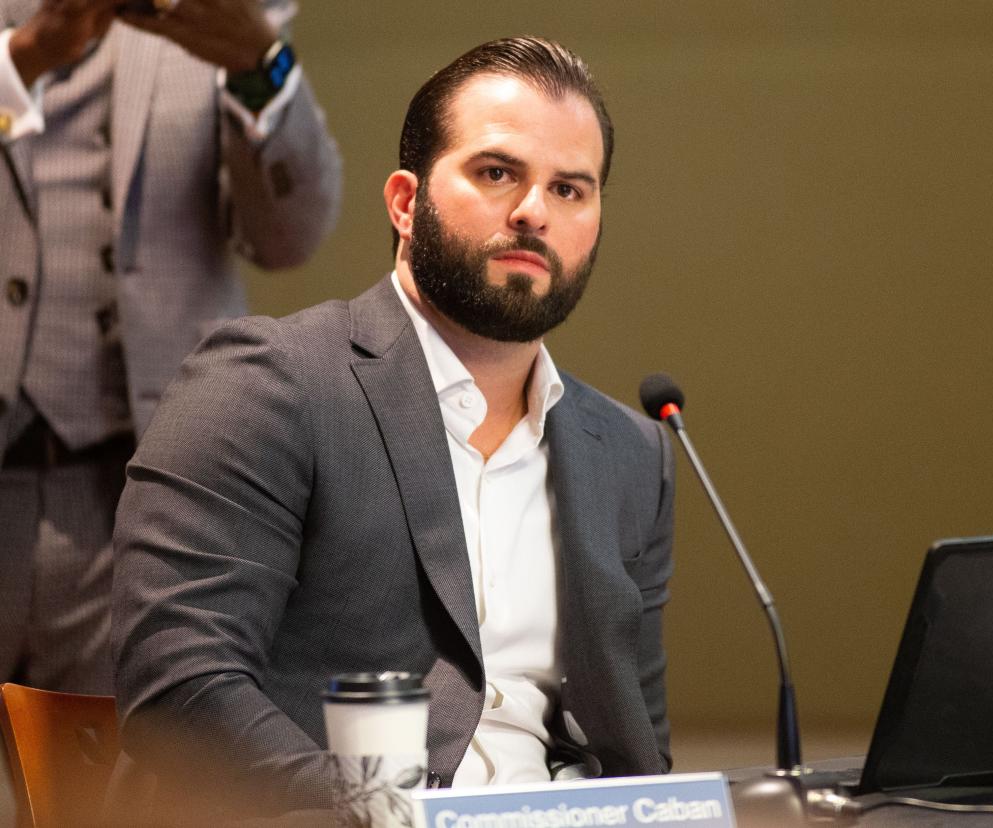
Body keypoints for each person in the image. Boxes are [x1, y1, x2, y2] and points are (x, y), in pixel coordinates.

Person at [109, 36, 674, 819]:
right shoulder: (267, 382)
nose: (534, 211)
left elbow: (638, 746)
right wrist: (386, 812)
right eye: (497, 172)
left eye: (571, 189)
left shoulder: (633, 454)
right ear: (407, 203)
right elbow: (179, 686)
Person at [0, 0, 342, 699]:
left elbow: (287, 236)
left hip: (140, 489)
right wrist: (25, 59)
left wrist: (262, 69)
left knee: (121, 785)